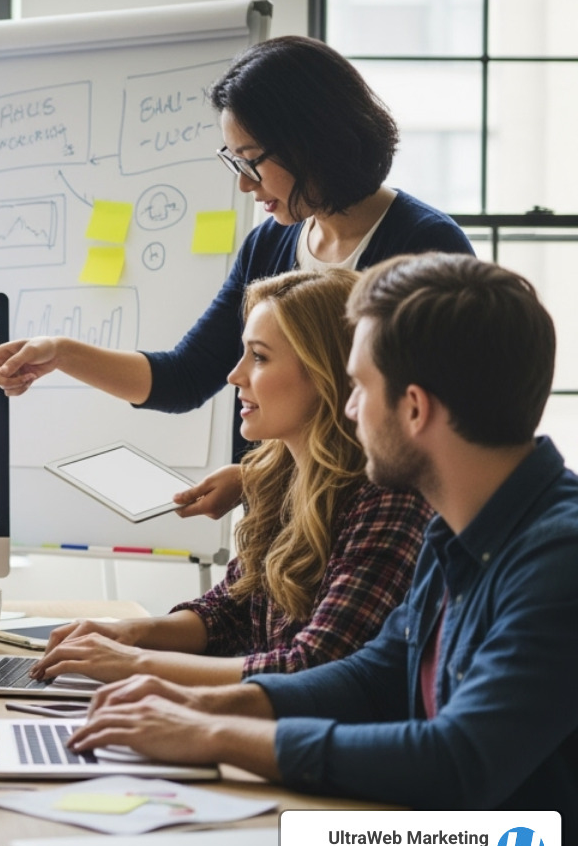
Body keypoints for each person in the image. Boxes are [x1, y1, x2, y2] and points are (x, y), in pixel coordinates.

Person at [68, 255, 578, 846]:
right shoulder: (459, 526)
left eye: (359, 386)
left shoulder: (558, 555)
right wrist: (206, 705)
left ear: (414, 409)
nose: (350, 406)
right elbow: (378, 671)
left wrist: (216, 735)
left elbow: (457, 762)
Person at [0, 36, 474, 518]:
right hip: (286, 535)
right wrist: (61, 353)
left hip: (380, 536)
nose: (245, 185)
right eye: (234, 162)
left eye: (252, 161)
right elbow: (187, 376)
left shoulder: (427, 250)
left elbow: (428, 430)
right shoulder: (269, 245)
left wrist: (257, 477)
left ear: (313, 143)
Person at [29, 269, 431, 686]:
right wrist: (125, 632)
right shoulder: (278, 476)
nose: (234, 375)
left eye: (259, 357)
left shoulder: (388, 499)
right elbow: (231, 611)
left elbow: (312, 667)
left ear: (324, 372)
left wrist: (134, 663)